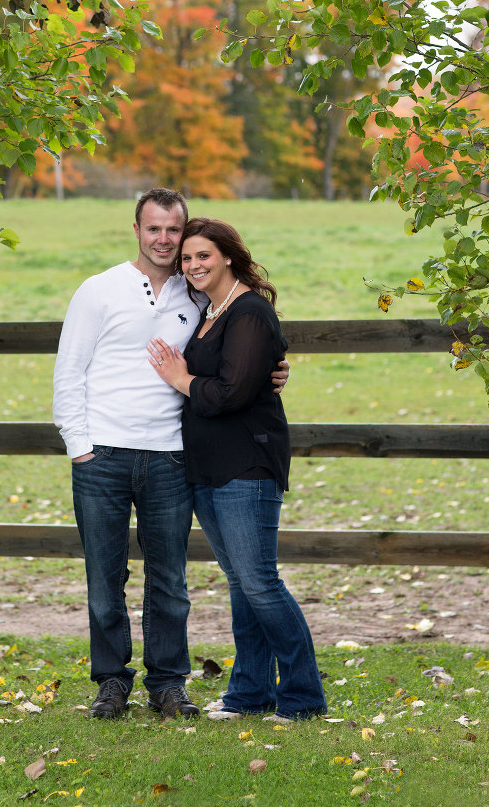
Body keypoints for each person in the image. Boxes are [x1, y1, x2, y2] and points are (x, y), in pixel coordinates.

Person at [53, 189, 289, 721]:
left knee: (170, 580)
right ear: (136, 230)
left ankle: (167, 684)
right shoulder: (99, 290)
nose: (164, 239)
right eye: (153, 228)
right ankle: (112, 682)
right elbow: (69, 371)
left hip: (172, 456)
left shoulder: (198, 292)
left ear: (185, 234)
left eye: (173, 230)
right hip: (103, 455)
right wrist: (80, 447)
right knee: (104, 579)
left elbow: (243, 340)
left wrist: (276, 369)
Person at [148, 217, 327, 723]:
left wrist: (181, 379)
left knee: (260, 582)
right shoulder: (210, 311)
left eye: (202, 255)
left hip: (246, 465)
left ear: (228, 255)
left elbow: (232, 392)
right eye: (186, 258)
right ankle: (250, 693)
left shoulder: (248, 312)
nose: (193, 265)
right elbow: (237, 375)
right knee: (241, 583)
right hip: (207, 466)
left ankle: (303, 696)